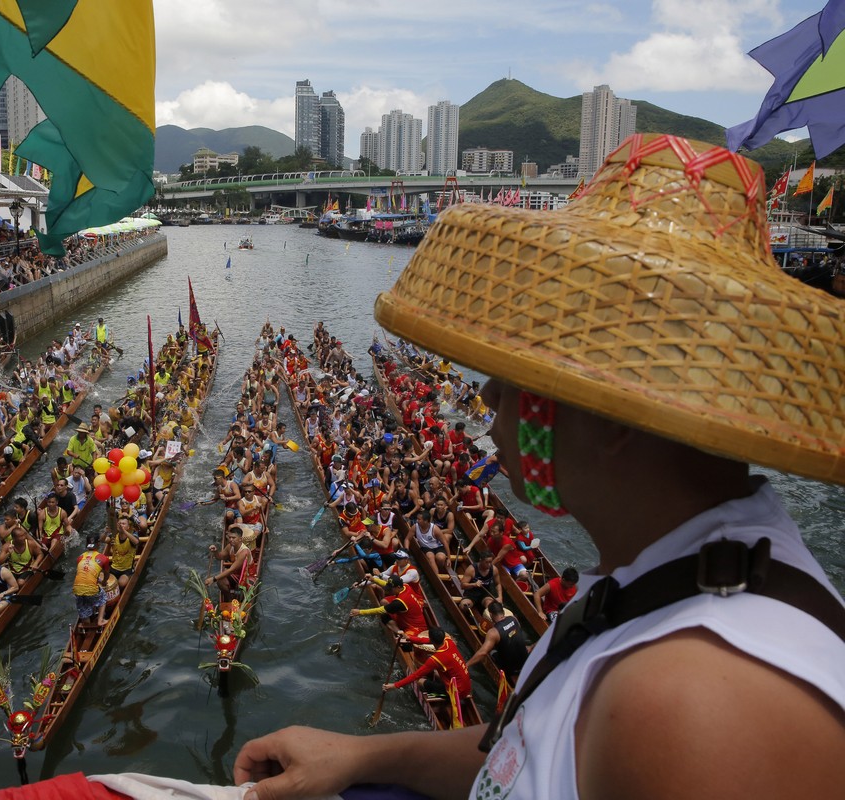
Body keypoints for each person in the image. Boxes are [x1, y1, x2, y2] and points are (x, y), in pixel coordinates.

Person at [234, 135, 845, 799]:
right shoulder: (673, 583)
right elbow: (536, 748)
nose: (489, 398)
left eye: (518, 372)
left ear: (612, 414)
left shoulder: (689, 706)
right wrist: (363, 756)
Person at [381, 627, 472, 723]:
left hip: (455, 693)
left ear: (433, 640)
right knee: (436, 672)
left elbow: (416, 675)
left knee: (420, 682)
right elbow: (426, 640)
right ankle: (440, 690)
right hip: (467, 686)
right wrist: (408, 638)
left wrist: (394, 685)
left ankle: (443, 701)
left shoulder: (435, 659)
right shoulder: (448, 641)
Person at [465, 601, 529, 682]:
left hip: (512, 668)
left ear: (491, 615)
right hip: (526, 660)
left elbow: (483, 653)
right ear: (503, 611)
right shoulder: (514, 619)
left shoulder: (493, 632)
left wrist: (467, 664)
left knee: (491, 651)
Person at [72, 535, 110, 626]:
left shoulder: (80, 557)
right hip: (91, 590)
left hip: (76, 589)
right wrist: (104, 582)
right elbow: (106, 575)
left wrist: (99, 581)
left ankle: (86, 622)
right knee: (103, 597)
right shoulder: (103, 558)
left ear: (86, 544)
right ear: (98, 544)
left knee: (82, 602)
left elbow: (85, 574)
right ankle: (100, 620)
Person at [206, 525, 253, 597]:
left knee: (241, 591)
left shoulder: (244, 552)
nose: (231, 539)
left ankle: (237, 594)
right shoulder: (230, 546)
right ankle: (230, 597)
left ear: (240, 539)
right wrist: (215, 551)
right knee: (220, 581)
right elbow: (220, 557)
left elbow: (231, 570)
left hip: (247, 576)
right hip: (236, 575)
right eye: (230, 537)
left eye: (234, 538)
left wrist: (213, 579)